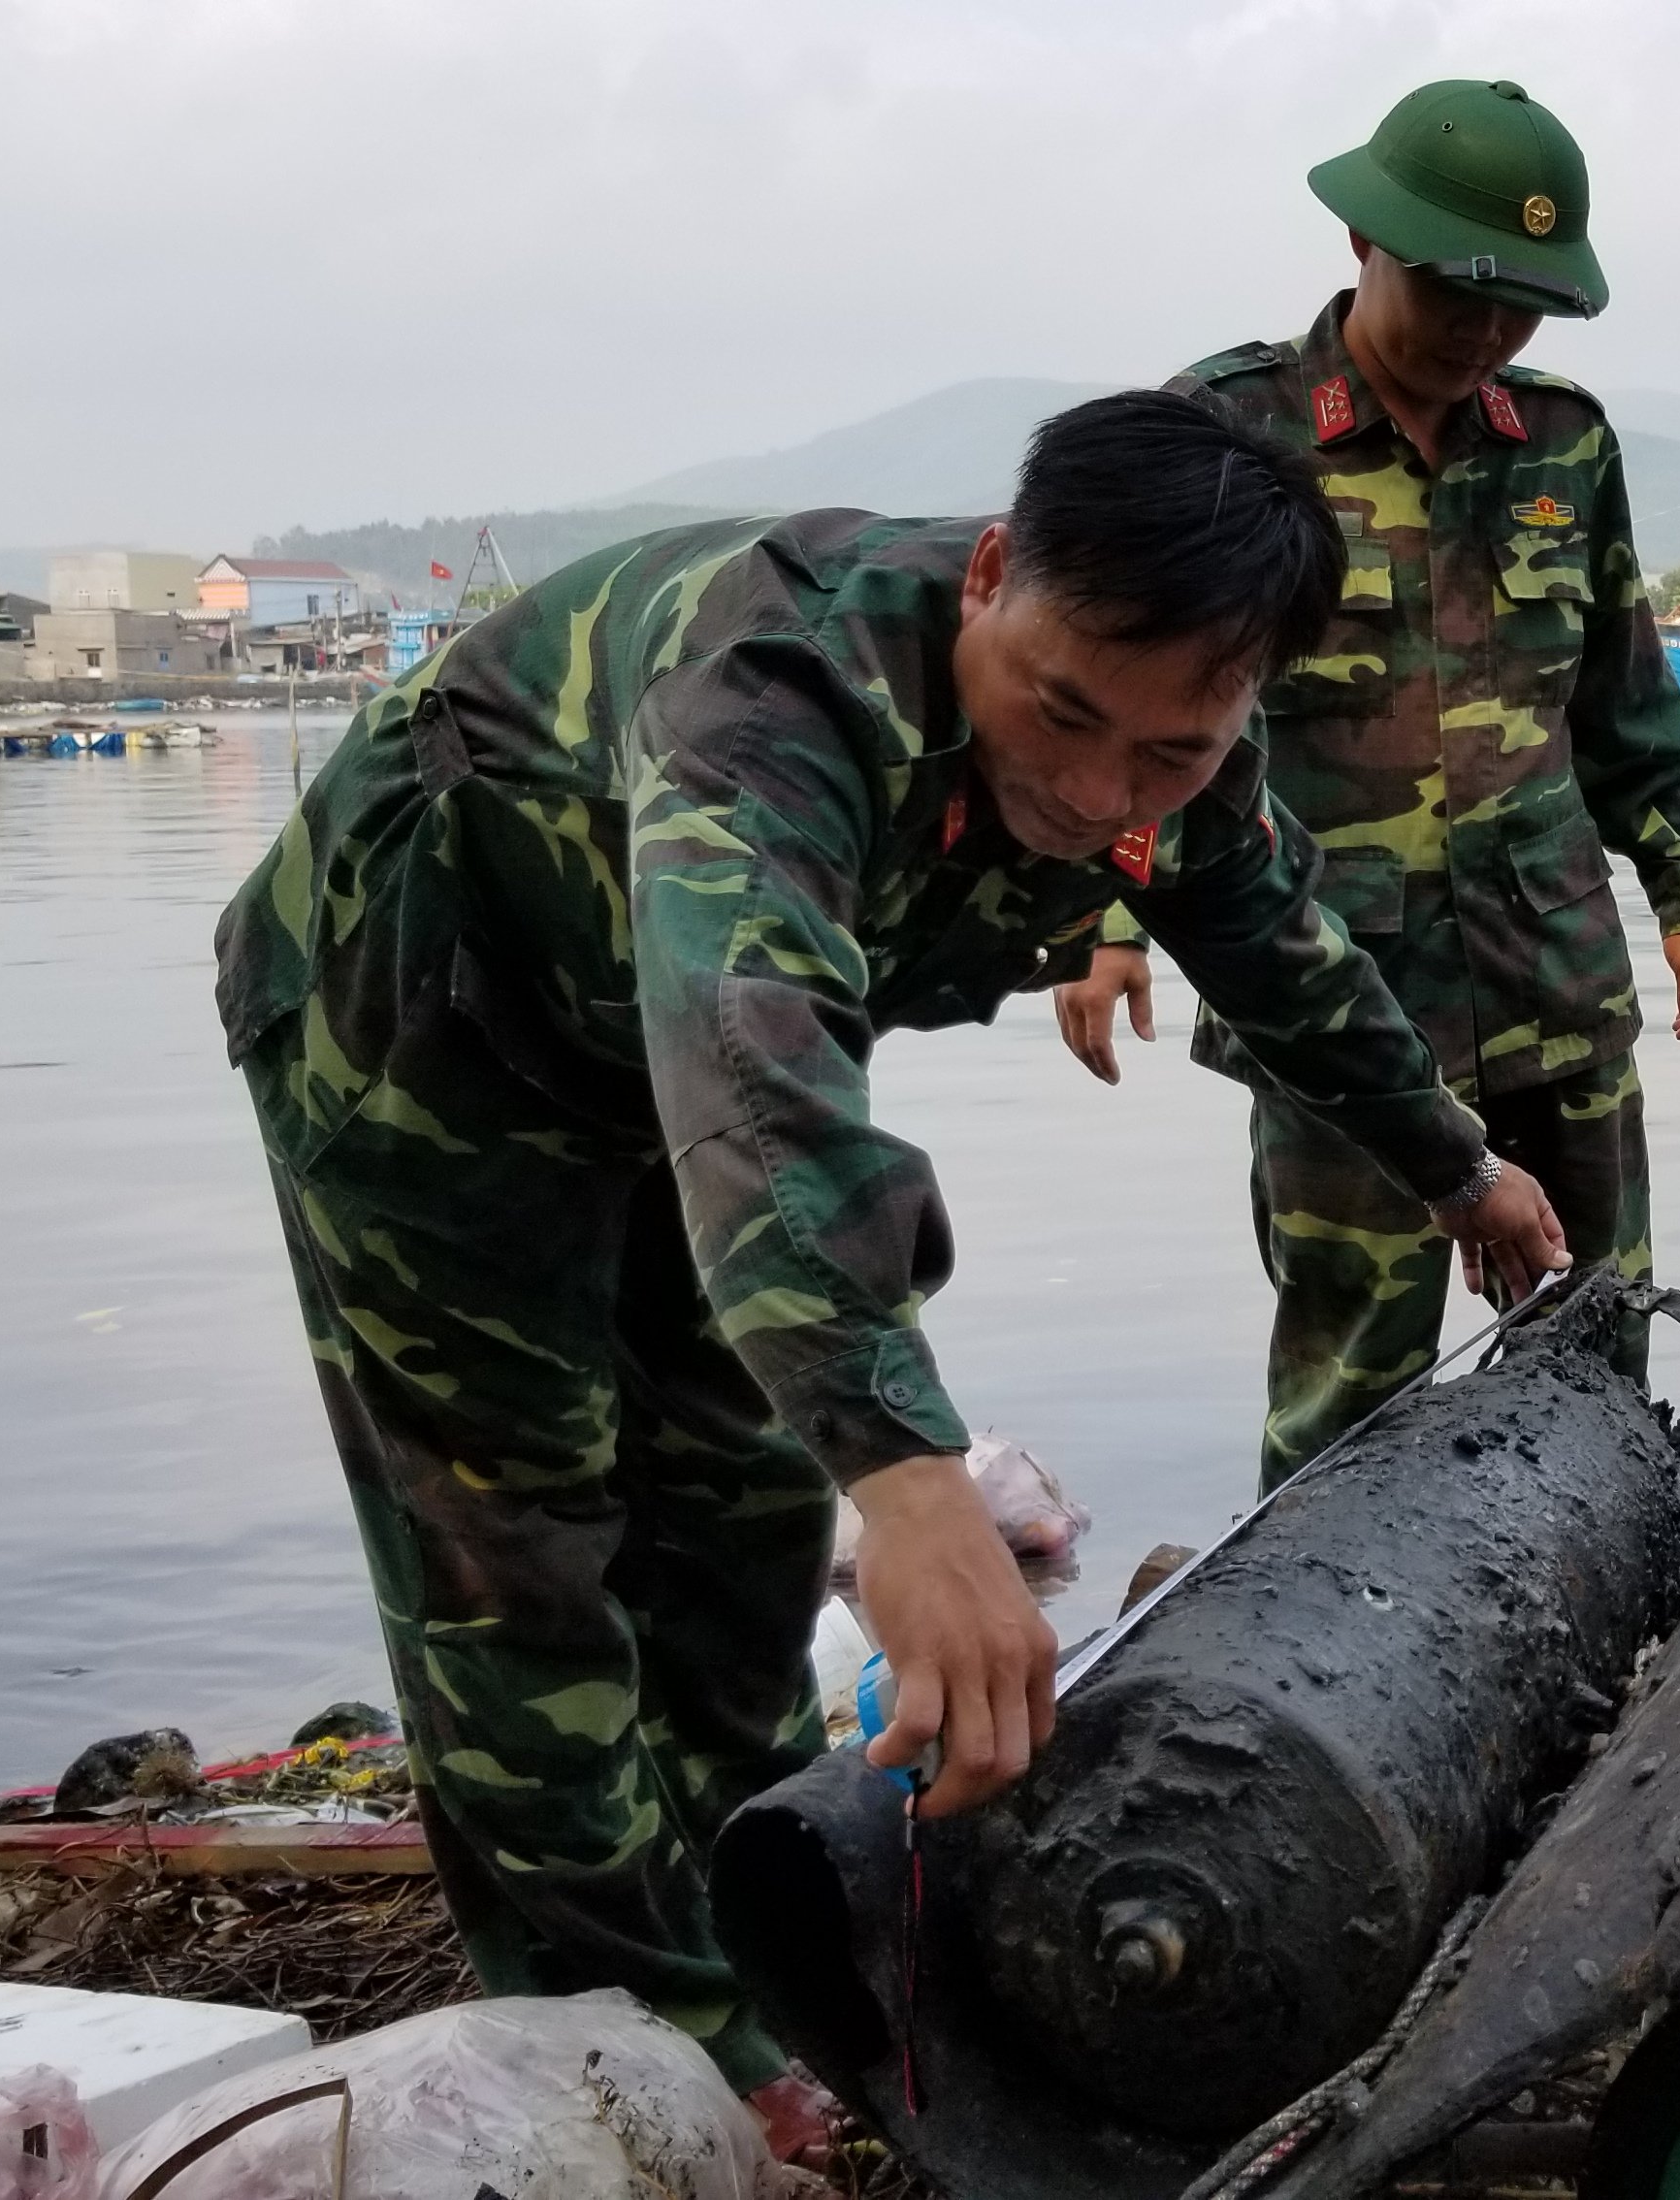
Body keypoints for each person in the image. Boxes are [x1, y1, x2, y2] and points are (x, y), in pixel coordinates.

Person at [210, 392, 1566, 2138]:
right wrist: (914, 1485)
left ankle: (766, 1959)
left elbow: (1281, 953)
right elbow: (754, 1073)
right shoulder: (774, 697)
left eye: (1167, 754)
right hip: (421, 1018)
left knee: (737, 1512)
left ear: (1241, 704)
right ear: (991, 575)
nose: (1095, 795)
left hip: (668, 1078)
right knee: (515, 1548)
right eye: (1059, 714)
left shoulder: (1172, 750)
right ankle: (621, 2065)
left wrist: (1461, 1171)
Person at [1052, 79, 1680, 1488]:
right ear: (1364, 240)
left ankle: (1615, 1610)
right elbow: (1133, 703)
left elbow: (1621, 698)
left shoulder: (1565, 443)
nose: (1486, 333)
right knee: (1350, 1386)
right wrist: (1106, 922)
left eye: (1522, 308)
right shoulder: (1232, 434)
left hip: (1554, 976)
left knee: (1599, 1353)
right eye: (1456, 294)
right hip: (1335, 1000)